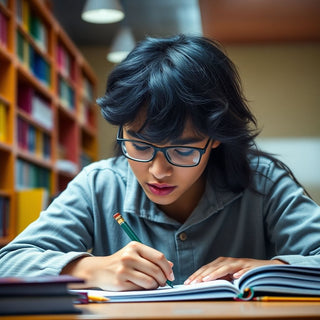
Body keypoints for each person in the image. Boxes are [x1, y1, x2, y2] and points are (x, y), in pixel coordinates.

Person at [0, 34, 319, 291]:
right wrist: (90, 268)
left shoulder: (263, 182)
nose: (158, 171)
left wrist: (270, 269)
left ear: (216, 137)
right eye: (139, 145)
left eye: (182, 150)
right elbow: (9, 261)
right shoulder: (99, 185)